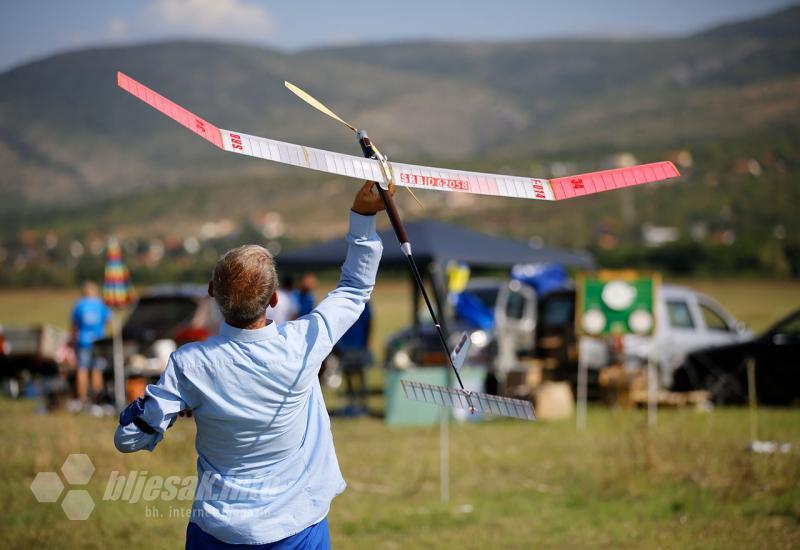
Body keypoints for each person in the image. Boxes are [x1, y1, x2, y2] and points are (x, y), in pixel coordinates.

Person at [114, 180, 391, 548]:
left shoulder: (189, 365)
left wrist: (163, 407)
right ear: (274, 299)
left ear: (212, 294)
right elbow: (355, 288)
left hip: (216, 532)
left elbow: (128, 438)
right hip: (297, 529)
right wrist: (363, 214)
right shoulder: (302, 344)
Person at [70, 281, 111, 405]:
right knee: (97, 369)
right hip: (98, 342)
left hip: (83, 341)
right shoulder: (101, 304)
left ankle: (82, 398)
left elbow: (74, 325)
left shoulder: (79, 305)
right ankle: (97, 397)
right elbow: (108, 320)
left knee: (82, 369)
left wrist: (72, 340)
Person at [334, 302, 372, 416]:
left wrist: (366, 342)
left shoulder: (365, 303)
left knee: (360, 374)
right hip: (346, 345)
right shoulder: (343, 302)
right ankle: (352, 403)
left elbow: (369, 323)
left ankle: (363, 404)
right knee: (349, 374)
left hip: (358, 344)